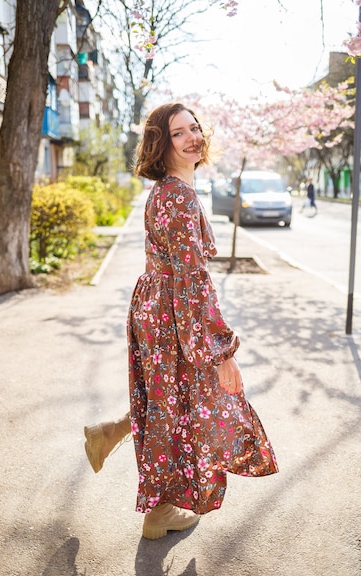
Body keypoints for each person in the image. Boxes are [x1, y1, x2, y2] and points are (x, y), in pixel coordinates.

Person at [84, 102, 278, 540]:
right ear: (160, 143)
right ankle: (158, 510)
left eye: (195, 127)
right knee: (185, 406)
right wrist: (221, 352)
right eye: (178, 133)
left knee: (169, 403)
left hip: (158, 305)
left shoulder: (169, 192)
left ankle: (111, 435)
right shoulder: (179, 197)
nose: (193, 137)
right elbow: (192, 281)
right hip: (172, 311)